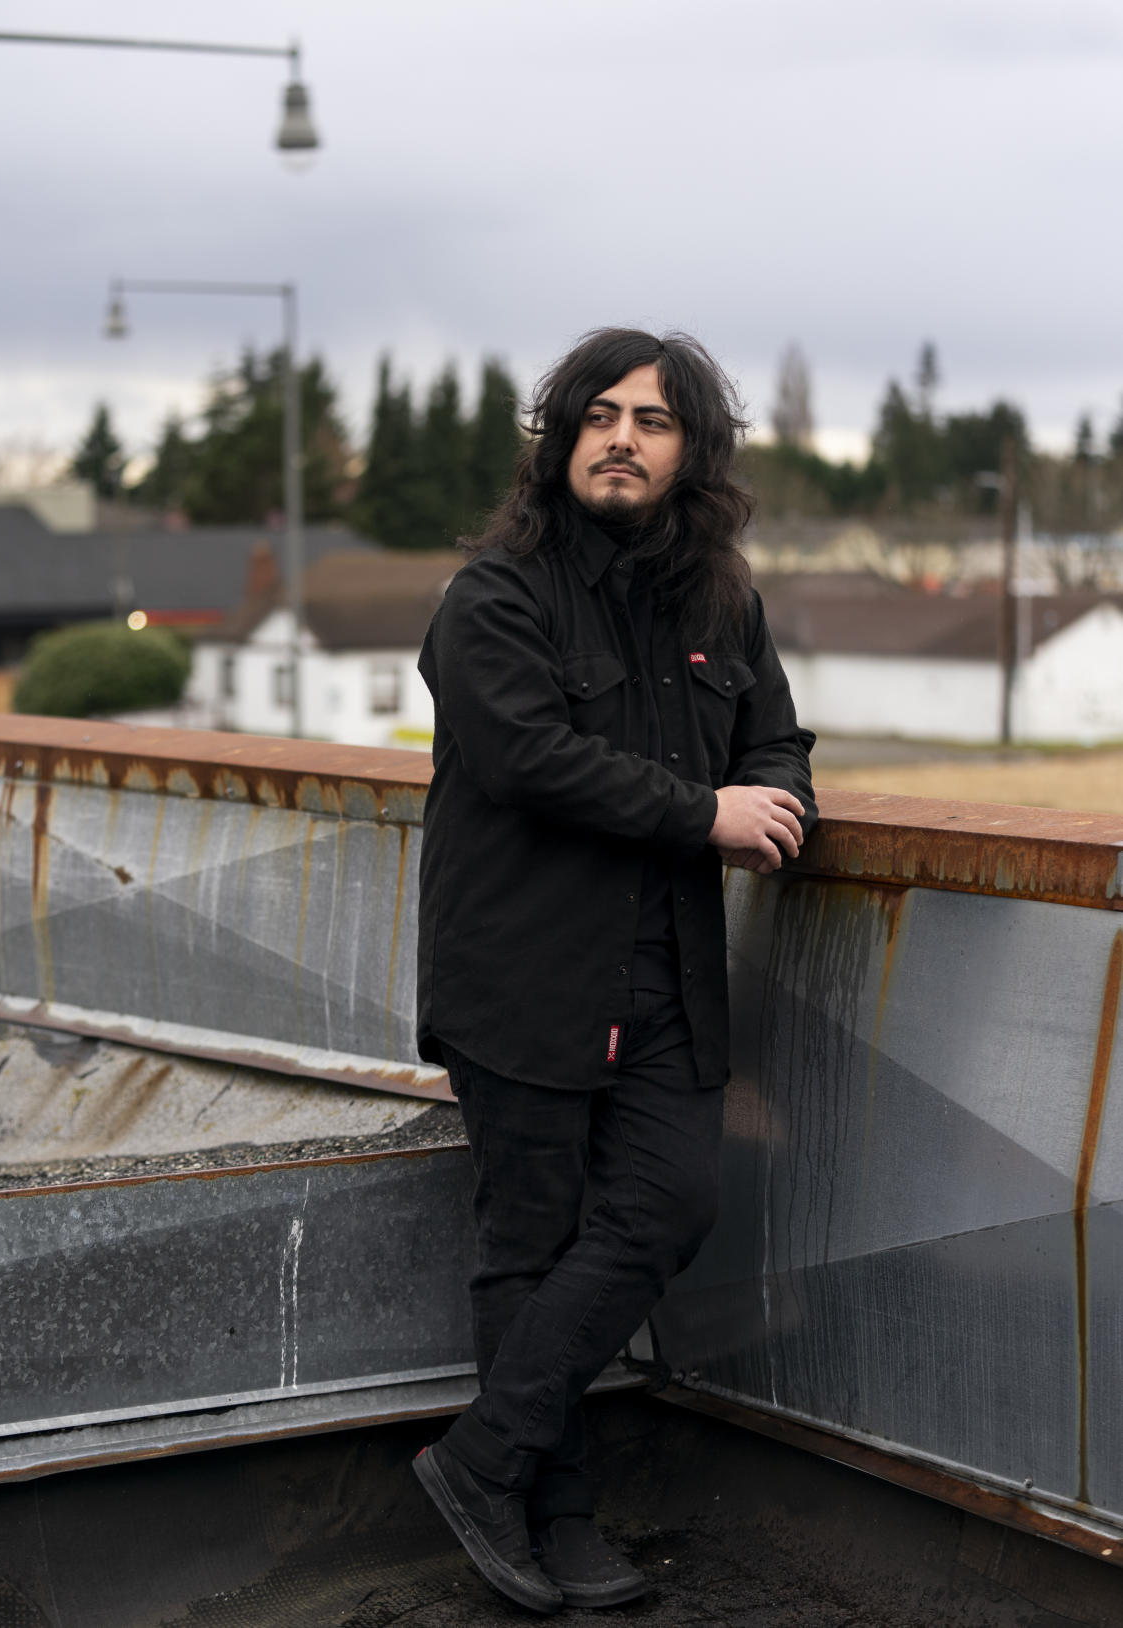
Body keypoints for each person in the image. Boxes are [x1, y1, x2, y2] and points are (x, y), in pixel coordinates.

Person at [412, 328, 816, 1614]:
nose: (619, 436)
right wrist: (711, 815)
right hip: (522, 973)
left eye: (650, 419)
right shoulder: (496, 595)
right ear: (560, 439)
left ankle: (482, 1461)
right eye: (596, 415)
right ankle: (559, 1511)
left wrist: (780, 801)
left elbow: (778, 738)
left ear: (693, 451)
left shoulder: (723, 604)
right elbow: (529, 757)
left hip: (667, 978)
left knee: (667, 1204)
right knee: (528, 1241)